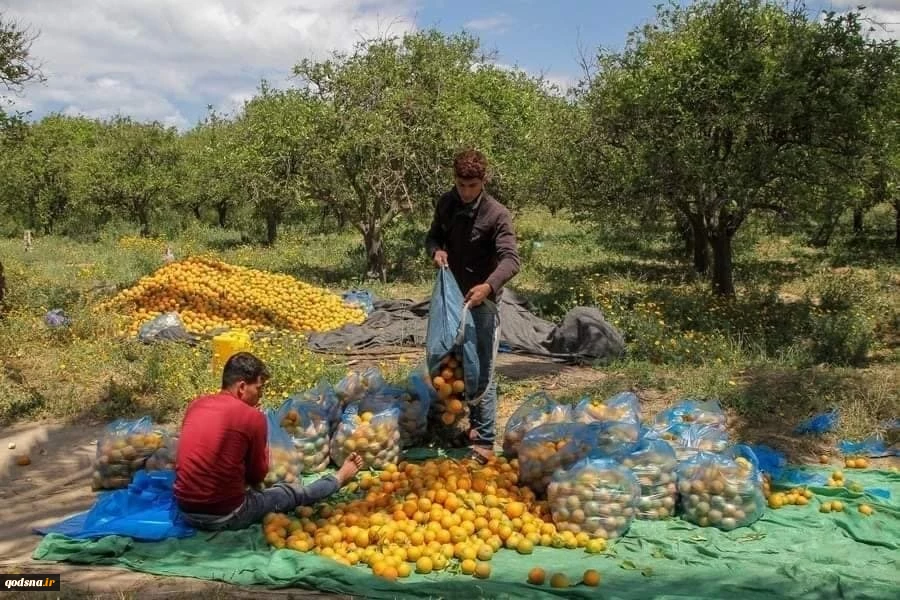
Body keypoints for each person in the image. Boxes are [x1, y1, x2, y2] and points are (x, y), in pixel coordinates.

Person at [174, 352, 362, 530]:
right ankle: (338, 478)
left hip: (184, 510)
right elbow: (257, 477)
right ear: (241, 387)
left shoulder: (196, 405)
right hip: (226, 515)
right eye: (259, 388)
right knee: (292, 493)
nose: (261, 395)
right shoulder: (252, 417)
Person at [425, 149, 521, 464]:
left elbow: (511, 260)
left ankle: (485, 438)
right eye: (461, 185)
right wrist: (436, 251)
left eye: (472, 186)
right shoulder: (447, 203)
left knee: (482, 369)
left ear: (483, 181)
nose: (466, 192)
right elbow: (433, 237)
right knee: (449, 363)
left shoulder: (497, 214)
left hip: (482, 301)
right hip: (451, 300)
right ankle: (461, 426)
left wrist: (488, 286)